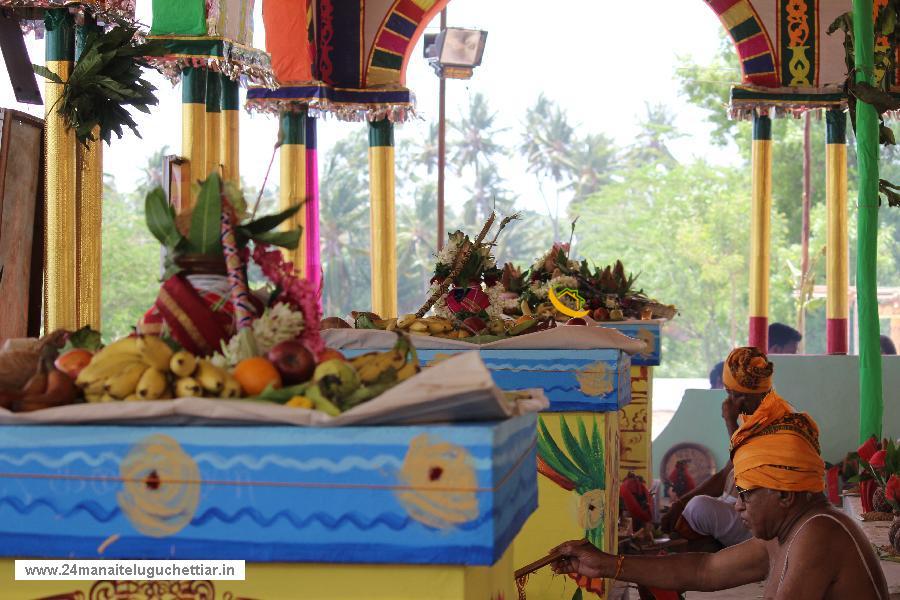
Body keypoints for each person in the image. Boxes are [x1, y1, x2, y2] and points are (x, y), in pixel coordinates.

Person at [550, 392, 890, 599]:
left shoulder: (819, 533)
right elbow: (704, 570)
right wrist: (608, 565)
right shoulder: (790, 530)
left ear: (784, 495)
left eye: (744, 494)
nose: (738, 505)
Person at [660, 347, 775, 548]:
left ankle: (712, 556)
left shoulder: (774, 424)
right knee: (693, 505)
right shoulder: (749, 423)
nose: (728, 401)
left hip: (755, 520)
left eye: (732, 394)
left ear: (745, 397)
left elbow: (748, 466)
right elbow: (723, 477)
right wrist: (679, 504)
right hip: (731, 508)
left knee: (698, 507)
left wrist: (730, 422)